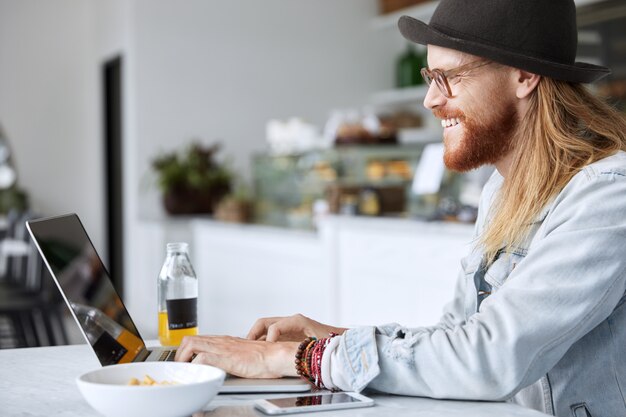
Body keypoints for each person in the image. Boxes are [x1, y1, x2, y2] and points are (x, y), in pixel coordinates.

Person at [175, 1, 626, 415]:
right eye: (432, 78)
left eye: (451, 77)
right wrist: (331, 337)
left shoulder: (607, 195)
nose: (431, 99)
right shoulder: (502, 190)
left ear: (524, 76)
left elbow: (488, 358)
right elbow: (458, 336)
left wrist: (297, 358)